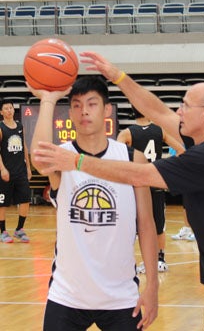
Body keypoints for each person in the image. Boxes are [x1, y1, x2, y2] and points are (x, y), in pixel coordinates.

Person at [32, 52, 204, 331]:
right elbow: (158, 112)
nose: (179, 111)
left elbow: (140, 174)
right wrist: (118, 76)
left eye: (186, 105)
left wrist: (76, 162)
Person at [28, 76, 158, 331]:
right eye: (76, 105)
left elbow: (146, 224)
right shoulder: (61, 156)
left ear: (107, 110)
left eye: (91, 103)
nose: (83, 111)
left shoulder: (133, 158)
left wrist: (152, 284)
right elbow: (39, 159)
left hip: (121, 296)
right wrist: (48, 99)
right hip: (67, 295)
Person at [117, 106, 185, 273]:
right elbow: (181, 150)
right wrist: (166, 167)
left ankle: (133, 261)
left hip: (138, 185)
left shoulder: (127, 133)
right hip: (156, 182)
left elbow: (116, 156)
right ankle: (160, 260)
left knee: (137, 226)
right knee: (158, 225)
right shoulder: (160, 131)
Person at [0, 100, 32, 243]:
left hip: (21, 171)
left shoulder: (20, 126)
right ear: (1, 112)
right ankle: (3, 231)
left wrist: (29, 167)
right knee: (2, 203)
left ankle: (19, 229)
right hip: (6, 171)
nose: (9, 110)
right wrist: (2, 168)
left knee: (25, 200)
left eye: (11, 108)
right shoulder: (1, 128)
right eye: (6, 108)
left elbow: (24, 146)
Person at [168, 147, 195, 242]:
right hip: (185, 174)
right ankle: (187, 229)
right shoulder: (175, 143)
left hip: (195, 174)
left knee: (196, 205)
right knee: (186, 205)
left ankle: (197, 231)